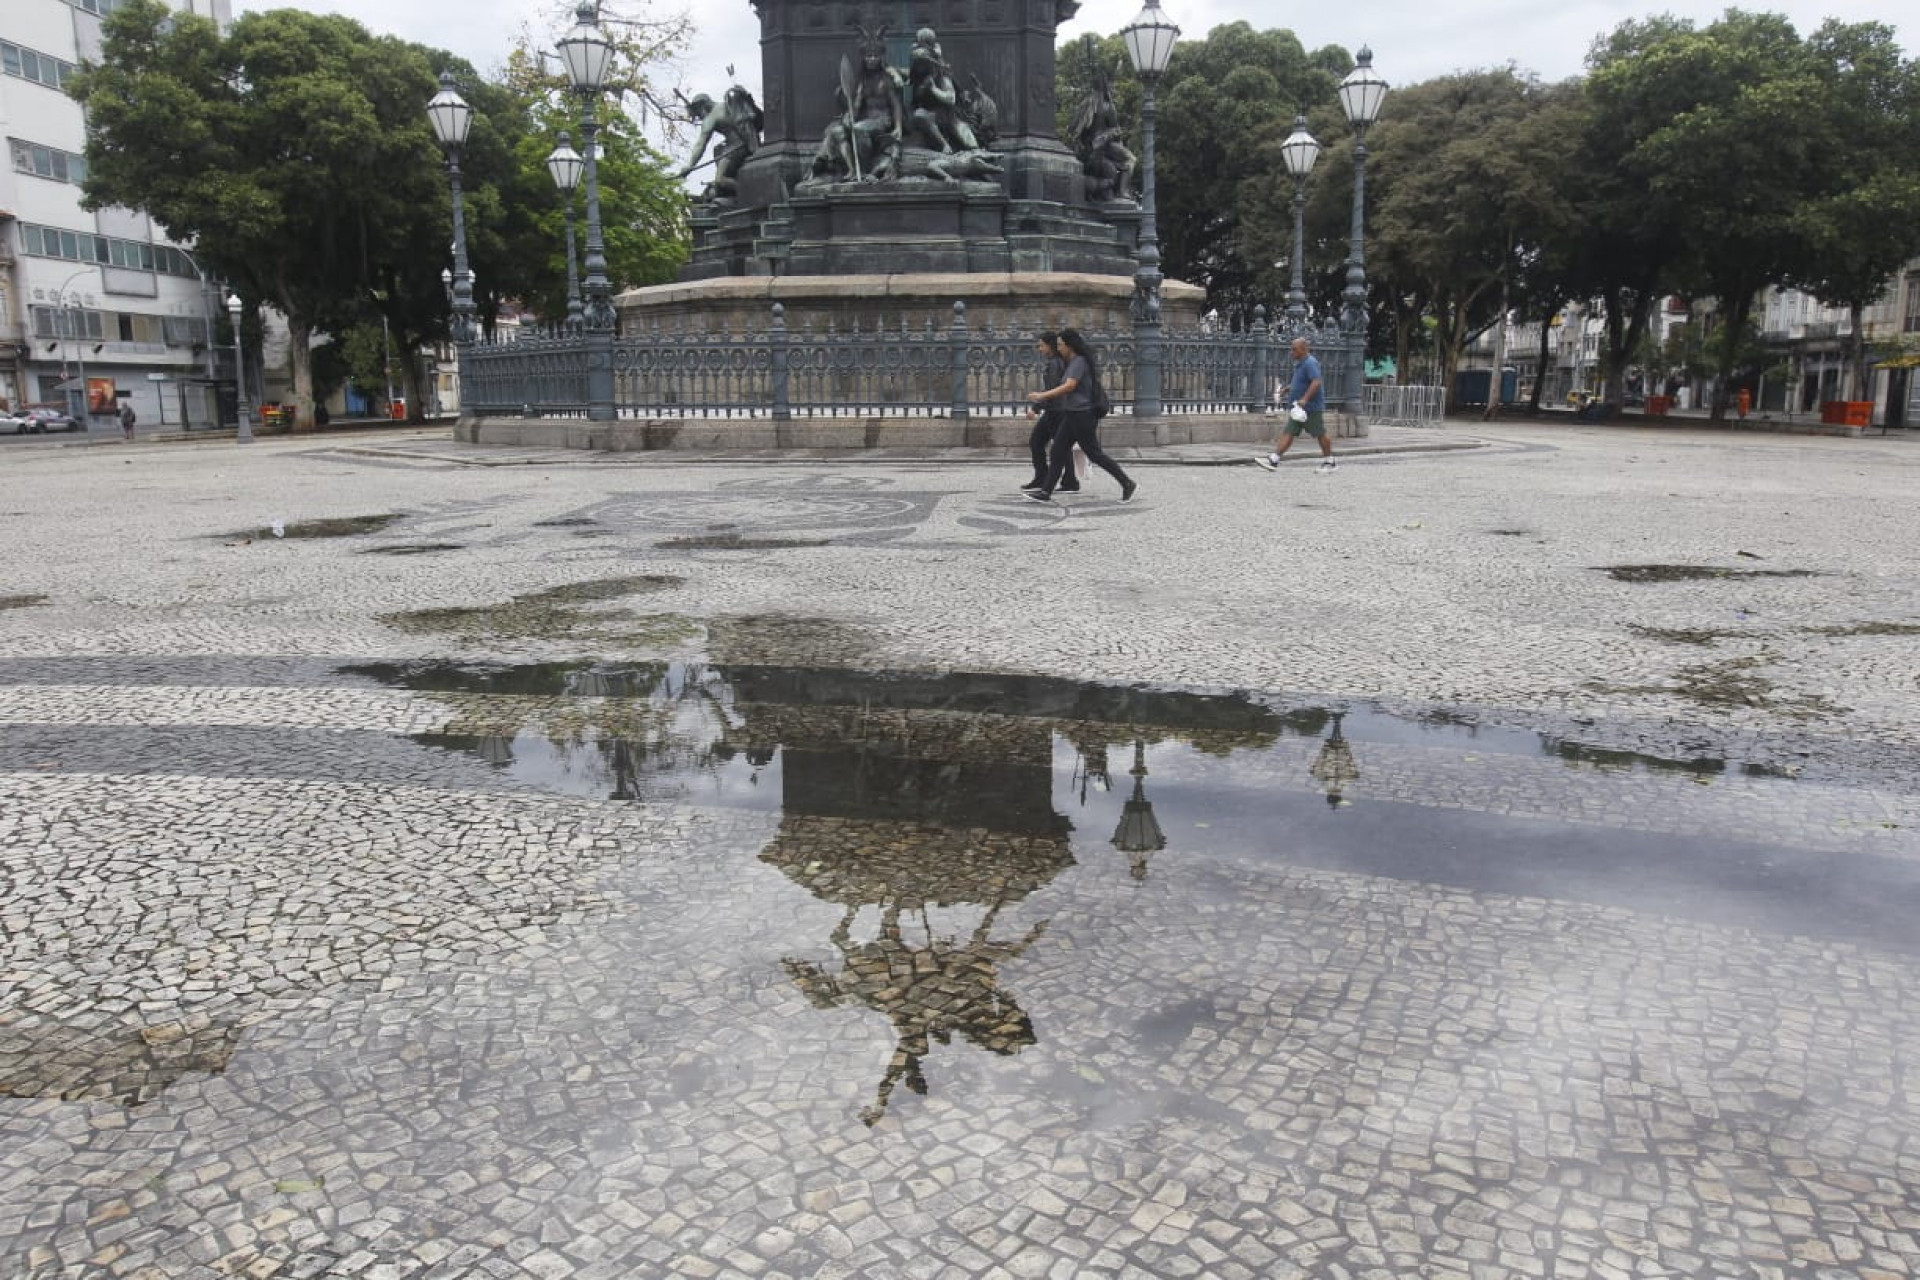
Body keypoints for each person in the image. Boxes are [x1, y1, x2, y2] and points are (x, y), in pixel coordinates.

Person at [1025, 329, 1136, 503]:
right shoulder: (1072, 361)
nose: (1059, 348)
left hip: (1082, 415)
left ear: (1070, 345)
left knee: (1094, 454)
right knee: (1057, 452)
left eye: (1061, 345)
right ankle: (1045, 492)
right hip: (1072, 414)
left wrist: (1042, 396)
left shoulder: (1079, 361)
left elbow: (1069, 386)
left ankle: (1127, 483)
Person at [1256, 336, 1335, 473]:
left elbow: (1316, 382)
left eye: (1294, 350)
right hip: (1299, 408)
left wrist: (1305, 399)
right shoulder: (1300, 363)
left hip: (1311, 408)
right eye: (1291, 349)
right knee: (1289, 431)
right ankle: (1274, 459)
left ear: (1304, 349)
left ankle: (1330, 461)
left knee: (1320, 433)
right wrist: (1288, 388)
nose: (1291, 352)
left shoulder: (1310, 363)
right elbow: (1302, 383)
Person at [1021, 333, 1079, 493]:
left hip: (1056, 411)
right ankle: (1066, 481)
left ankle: (1054, 480)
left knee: (1043, 444)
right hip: (1055, 410)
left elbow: (1053, 391)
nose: (1040, 349)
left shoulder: (1055, 364)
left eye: (1041, 345)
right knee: (1052, 445)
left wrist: (1035, 408)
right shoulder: (1059, 362)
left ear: (1049, 346)